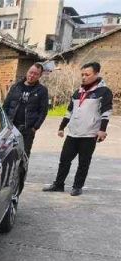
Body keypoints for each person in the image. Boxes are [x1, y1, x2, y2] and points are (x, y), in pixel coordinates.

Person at [43, 62, 113, 196]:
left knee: (83, 162)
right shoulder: (78, 92)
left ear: (96, 74)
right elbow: (69, 111)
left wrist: (102, 130)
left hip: (89, 134)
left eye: (87, 74)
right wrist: (62, 127)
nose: (84, 77)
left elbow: (106, 112)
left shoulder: (104, 91)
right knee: (64, 160)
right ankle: (58, 184)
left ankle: (77, 186)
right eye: (82, 74)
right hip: (73, 133)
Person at [3, 63, 49, 158]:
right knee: (7, 152)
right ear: (27, 72)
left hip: (27, 129)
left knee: (24, 154)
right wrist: (4, 122)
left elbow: (43, 111)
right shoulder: (16, 86)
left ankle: (22, 168)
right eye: (30, 72)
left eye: (35, 74)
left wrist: (35, 127)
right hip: (11, 126)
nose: (32, 75)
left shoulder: (42, 90)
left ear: (39, 76)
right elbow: (6, 105)